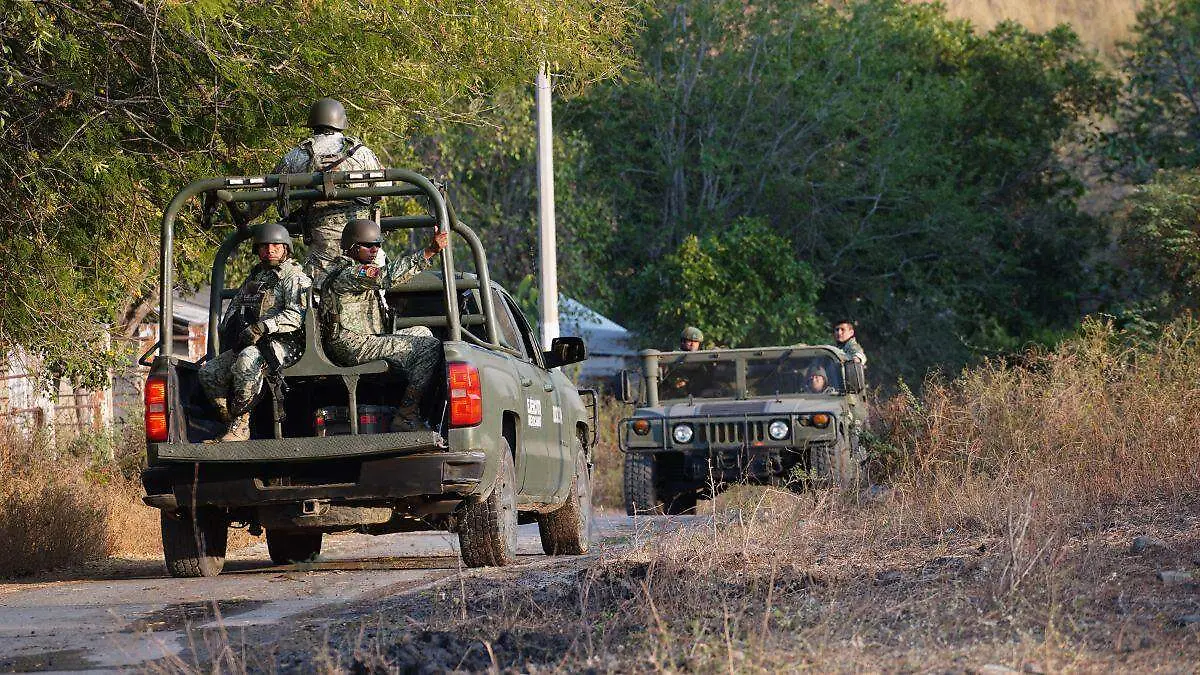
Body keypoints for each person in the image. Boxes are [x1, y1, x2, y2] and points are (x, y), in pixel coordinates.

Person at [319, 219, 449, 430]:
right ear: (352, 247)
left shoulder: (354, 270)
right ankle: (406, 414)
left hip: (364, 339)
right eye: (368, 245)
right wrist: (429, 251)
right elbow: (384, 276)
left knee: (423, 332)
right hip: (353, 344)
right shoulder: (350, 273)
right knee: (429, 347)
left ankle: (411, 403)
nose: (374, 250)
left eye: (377, 245)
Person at [249, 98, 387, 284]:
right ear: (341, 121)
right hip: (365, 245)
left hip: (322, 246)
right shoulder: (362, 153)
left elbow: (263, 195)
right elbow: (383, 189)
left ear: (313, 122)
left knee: (319, 292)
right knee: (374, 286)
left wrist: (245, 217)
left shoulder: (297, 155)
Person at [199, 223, 312, 441]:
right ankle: (231, 419)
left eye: (276, 246)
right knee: (209, 373)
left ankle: (240, 426)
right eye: (264, 246)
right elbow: (236, 307)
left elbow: (296, 316)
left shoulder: (294, 277)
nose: (270, 250)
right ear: (257, 250)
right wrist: (231, 331)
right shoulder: (256, 277)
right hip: (252, 341)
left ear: (286, 248)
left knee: (247, 361)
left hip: (285, 343)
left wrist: (263, 327)